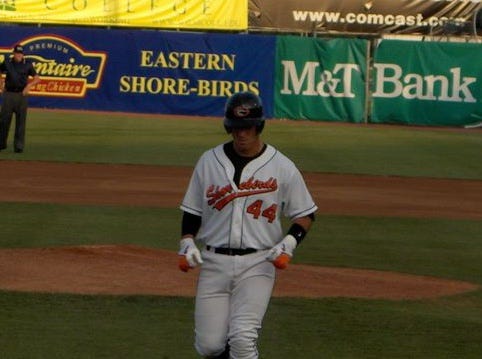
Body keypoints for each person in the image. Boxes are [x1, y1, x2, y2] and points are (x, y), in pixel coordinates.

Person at [178, 91, 318, 358]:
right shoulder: (209, 161)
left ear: (259, 126)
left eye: (247, 128)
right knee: (209, 346)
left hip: (258, 263)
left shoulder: (282, 166)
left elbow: (306, 213)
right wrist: (186, 240)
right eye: (235, 128)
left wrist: (289, 242)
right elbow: (193, 209)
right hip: (214, 262)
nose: (241, 134)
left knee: (242, 339)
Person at [0, 44, 40, 153]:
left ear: (23, 54)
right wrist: (1, 83)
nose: (19, 55)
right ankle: (1, 144)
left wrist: (29, 86)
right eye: (17, 53)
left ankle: (18, 146)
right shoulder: (8, 62)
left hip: (22, 95)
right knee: (4, 121)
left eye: (21, 53)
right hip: (8, 94)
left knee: (21, 122)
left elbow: (37, 78)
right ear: (14, 53)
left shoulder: (27, 64)